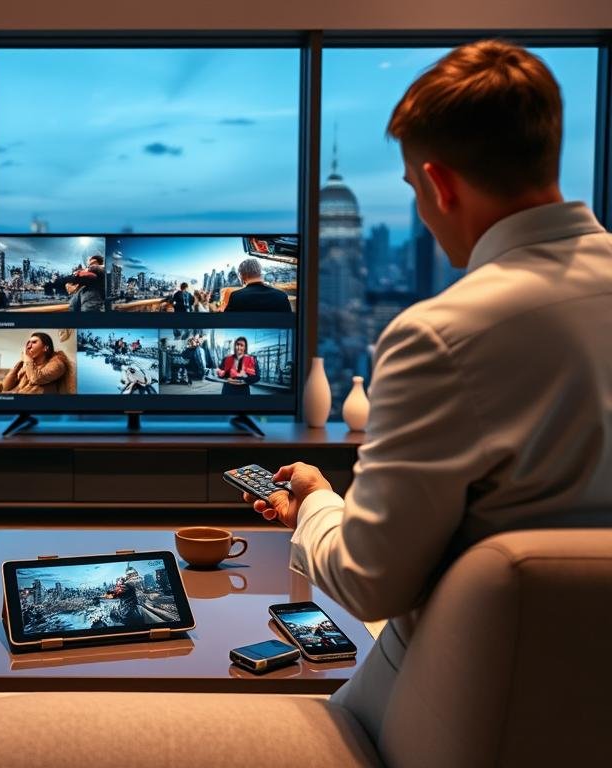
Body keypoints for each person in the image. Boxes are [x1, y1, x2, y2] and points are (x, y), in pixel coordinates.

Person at [244, 40, 612, 741]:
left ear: (440, 185)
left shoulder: (441, 334)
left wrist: (316, 504)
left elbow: (368, 581)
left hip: (464, 715)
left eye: (413, 190)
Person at [0, 332, 76, 394]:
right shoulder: (27, 365)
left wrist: (27, 359)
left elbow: (36, 378)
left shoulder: (57, 364)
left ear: (45, 348)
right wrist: (18, 366)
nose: (29, 346)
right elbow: (5, 387)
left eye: (34, 342)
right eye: (28, 343)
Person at [223, 257, 292, 313]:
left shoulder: (236, 297)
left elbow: (227, 321)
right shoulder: (281, 295)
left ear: (241, 276)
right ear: (260, 273)